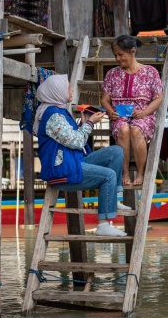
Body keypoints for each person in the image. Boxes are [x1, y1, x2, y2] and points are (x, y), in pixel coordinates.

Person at [34, 75, 128, 237]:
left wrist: (83, 124)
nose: (71, 90)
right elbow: (76, 141)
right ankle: (103, 224)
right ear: (57, 92)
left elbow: (69, 137)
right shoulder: (53, 116)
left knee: (116, 152)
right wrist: (90, 123)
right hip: (63, 170)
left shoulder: (60, 110)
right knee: (108, 176)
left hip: (73, 161)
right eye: (67, 88)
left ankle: (112, 199)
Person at [101, 35, 164, 187]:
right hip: (119, 116)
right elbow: (104, 100)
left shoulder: (150, 72)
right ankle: (125, 173)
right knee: (123, 130)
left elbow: (158, 98)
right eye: (115, 55)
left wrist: (144, 112)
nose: (117, 58)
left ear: (133, 51)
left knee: (136, 130)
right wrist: (110, 111)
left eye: (121, 54)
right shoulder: (112, 74)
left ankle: (141, 173)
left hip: (143, 115)